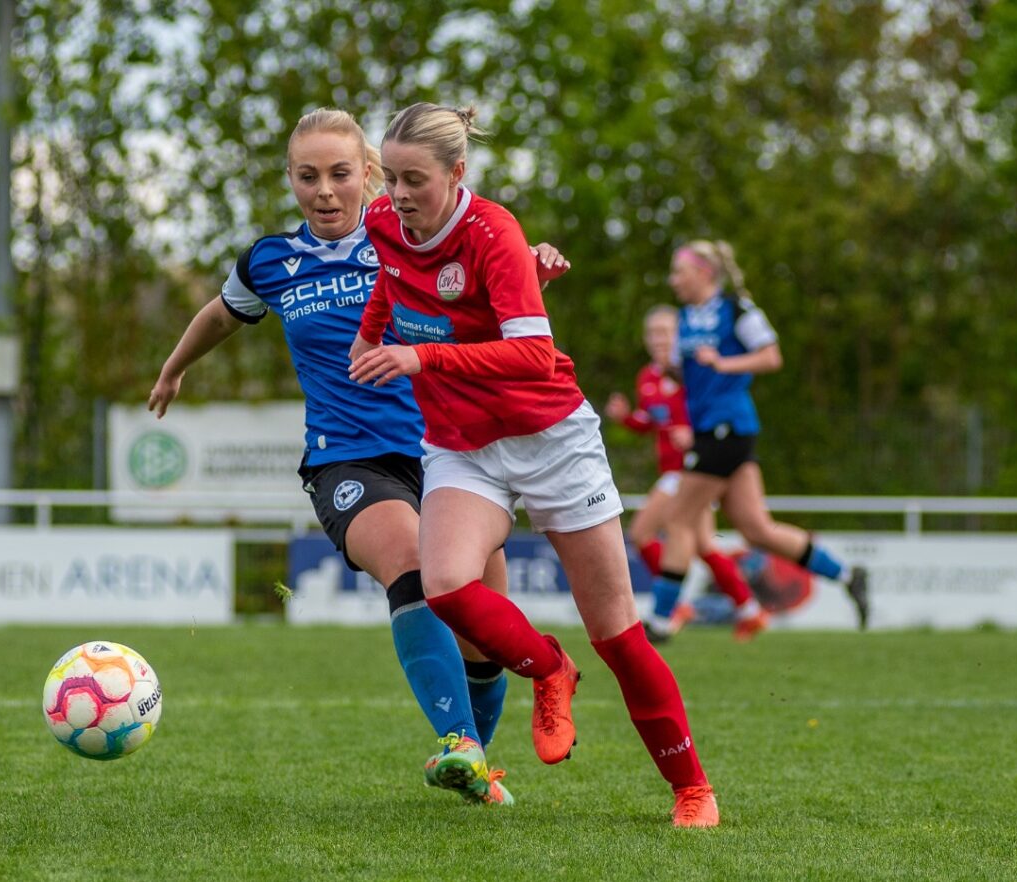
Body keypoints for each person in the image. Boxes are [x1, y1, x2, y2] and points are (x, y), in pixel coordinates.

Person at [148, 108, 565, 805]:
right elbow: (223, 312)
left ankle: (477, 764)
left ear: (368, 174)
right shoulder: (270, 261)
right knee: (413, 567)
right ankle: (457, 741)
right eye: (308, 176)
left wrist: (533, 265)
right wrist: (174, 367)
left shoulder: (408, 237)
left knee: (483, 634)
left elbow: (486, 276)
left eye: (341, 174)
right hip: (347, 460)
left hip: (453, 452)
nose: (325, 190)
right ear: (290, 179)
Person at [348, 102, 719, 828]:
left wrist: (419, 355)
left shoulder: (495, 232)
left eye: (414, 179)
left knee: (617, 631)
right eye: (388, 177)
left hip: (551, 438)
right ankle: (549, 668)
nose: (397, 194)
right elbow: (391, 285)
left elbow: (533, 355)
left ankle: (692, 789)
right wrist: (370, 339)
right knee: (448, 585)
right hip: (461, 443)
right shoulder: (383, 224)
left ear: (458, 174)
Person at [646, 240, 869, 642]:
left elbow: (771, 356)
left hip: (727, 426)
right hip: (716, 429)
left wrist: (723, 362)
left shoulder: (736, 309)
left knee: (679, 520)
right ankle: (848, 575)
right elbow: (692, 377)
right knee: (757, 530)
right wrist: (673, 369)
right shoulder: (684, 318)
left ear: (705, 273)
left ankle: (661, 622)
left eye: (679, 271)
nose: (673, 280)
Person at [604, 305, 768, 640]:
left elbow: (712, 412)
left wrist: (694, 435)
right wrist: (625, 418)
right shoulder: (647, 377)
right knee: (705, 545)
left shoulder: (692, 374)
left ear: (680, 336)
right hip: (675, 470)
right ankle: (749, 609)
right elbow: (651, 422)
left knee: (643, 532)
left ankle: (673, 607)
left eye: (666, 332)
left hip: (693, 469)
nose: (659, 340)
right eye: (653, 334)